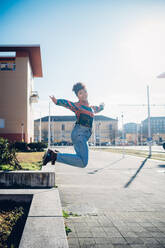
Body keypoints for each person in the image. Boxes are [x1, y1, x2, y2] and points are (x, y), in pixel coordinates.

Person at [43, 82, 104, 167]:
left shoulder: (91, 108)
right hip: (79, 134)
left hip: (83, 136)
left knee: (82, 160)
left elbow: (98, 109)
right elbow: (68, 103)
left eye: (85, 92)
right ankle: (54, 156)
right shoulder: (77, 105)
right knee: (83, 162)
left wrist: (102, 106)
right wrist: (57, 101)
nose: (83, 94)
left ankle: (54, 155)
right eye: (80, 93)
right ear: (77, 96)